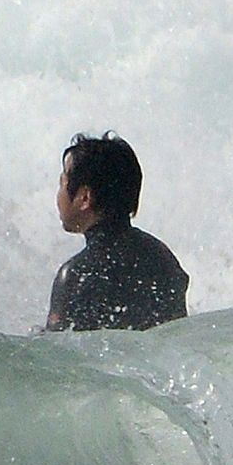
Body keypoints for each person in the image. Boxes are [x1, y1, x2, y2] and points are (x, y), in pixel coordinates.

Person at [46, 132, 189, 332]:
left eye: (62, 182)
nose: (58, 194)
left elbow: (51, 354)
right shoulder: (163, 259)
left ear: (85, 198)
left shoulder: (76, 275)